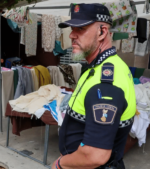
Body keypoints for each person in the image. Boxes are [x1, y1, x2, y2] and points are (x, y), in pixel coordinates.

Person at [52, 4, 136, 169]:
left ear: (102, 32)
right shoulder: (103, 66)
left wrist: (60, 164)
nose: (71, 35)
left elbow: (95, 155)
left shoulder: (105, 83)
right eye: (72, 29)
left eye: (81, 29)